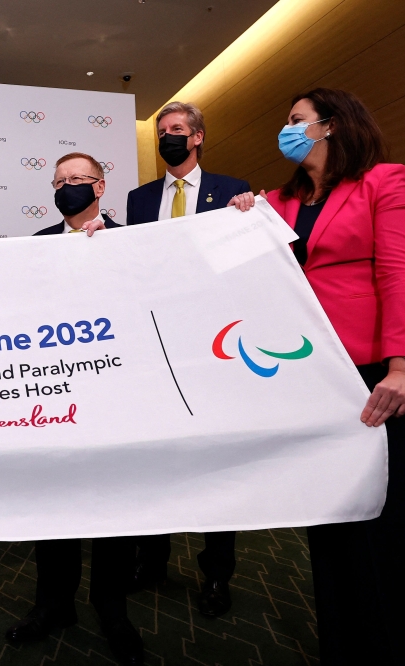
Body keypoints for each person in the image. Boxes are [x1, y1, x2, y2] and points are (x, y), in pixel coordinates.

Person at [230, 87, 405, 664]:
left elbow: (399, 269)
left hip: (373, 375)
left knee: (379, 523)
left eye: (296, 120)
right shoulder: (275, 201)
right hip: (311, 378)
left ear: (331, 126)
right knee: (329, 521)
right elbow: (219, 263)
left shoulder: (383, 180)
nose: (287, 130)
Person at [5, 152, 142, 664]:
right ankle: (53, 604)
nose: (66, 188)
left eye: (77, 180)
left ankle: (112, 609)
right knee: (54, 503)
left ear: (101, 187)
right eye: (58, 182)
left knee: (114, 508)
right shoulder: (36, 245)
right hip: (52, 395)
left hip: (112, 397)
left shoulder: (133, 241)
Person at [124, 101, 250, 617]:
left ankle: (217, 574)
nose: (168, 138)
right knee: (157, 456)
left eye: (177, 130)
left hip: (212, 345)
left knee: (216, 462)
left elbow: (244, 262)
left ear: (198, 137)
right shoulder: (138, 199)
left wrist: (250, 216)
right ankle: (153, 560)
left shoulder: (232, 190)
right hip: (155, 343)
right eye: (162, 132)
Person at [33, 152, 119, 235]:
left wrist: (108, 241)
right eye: (60, 181)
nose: (66, 186)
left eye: (76, 178)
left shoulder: (126, 238)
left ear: (100, 187)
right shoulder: (36, 242)